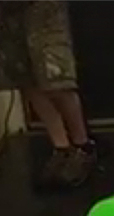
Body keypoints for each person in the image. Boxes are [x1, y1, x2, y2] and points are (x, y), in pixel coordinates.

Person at [0, 1, 96, 189]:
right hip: (6, 12)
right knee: (27, 80)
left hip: (43, 8)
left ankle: (83, 146)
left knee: (57, 79)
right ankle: (61, 147)